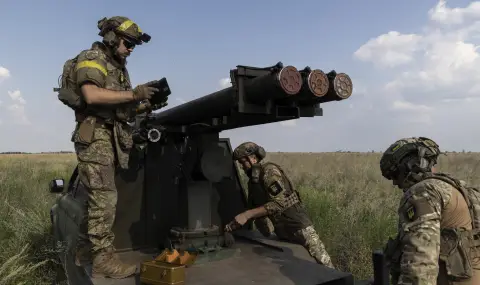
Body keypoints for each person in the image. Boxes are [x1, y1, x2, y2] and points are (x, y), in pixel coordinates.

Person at [59, 16, 167, 279]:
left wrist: (146, 104)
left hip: (109, 137)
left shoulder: (117, 67)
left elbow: (120, 109)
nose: (131, 49)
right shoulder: (93, 58)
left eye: (133, 45)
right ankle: (103, 262)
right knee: (104, 200)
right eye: (128, 43)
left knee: (96, 201)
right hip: (96, 137)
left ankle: (85, 253)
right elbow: (92, 96)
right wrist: (134, 95)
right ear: (111, 38)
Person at [380, 137, 480, 285]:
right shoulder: (460, 190)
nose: (395, 182)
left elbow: (420, 267)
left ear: (411, 166)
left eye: (395, 174)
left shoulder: (423, 192)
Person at [224, 142, 335, 269]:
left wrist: (247, 215)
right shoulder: (253, 183)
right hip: (283, 233)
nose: (242, 167)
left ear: (253, 158)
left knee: (324, 264)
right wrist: (233, 225)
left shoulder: (269, 171)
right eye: (240, 163)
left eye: (243, 162)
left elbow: (278, 203)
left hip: (299, 227)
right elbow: (253, 209)